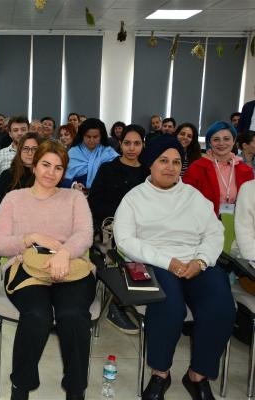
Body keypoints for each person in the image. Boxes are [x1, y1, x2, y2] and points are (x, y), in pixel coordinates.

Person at [113, 135, 235, 400]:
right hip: (157, 263)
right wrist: (168, 262)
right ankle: (160, 373)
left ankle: (198, 375)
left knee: (220, 306)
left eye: (176, 162)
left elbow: (215, 232)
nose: (170, 167)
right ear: (151, 164)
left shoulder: (193, 196)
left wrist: (201, 261)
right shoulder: (134, 198)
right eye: (163, 161)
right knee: (170, 307)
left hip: (196, 262)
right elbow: (125, 241)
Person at [0, 140, 95, 400]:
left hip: (70, 266)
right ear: (34, 165)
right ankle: (21, 387)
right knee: (37, 316)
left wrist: (64, 252)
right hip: (26, 268)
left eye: (58, 168)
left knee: (72, 315)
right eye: (46, 165)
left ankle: (76, 390)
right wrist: (32, 237)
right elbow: (0, 244)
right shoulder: (14, 199)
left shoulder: (74, 198)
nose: (51, 172)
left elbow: (84, 235)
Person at [87, 124, 148, 334]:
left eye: (136, 143)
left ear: (143, 145)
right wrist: (124, 215)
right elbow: (94, 202)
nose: (131, 148)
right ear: (120, 144)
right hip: (109, 229)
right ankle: (116, 305)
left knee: (150, 251)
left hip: (142, 229)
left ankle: (135, 300)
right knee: (120, 254)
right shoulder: (108, 168)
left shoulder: (148, 172)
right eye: (127, 143)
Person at [183, 121, 254, 216]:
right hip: (203, 221)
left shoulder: (245, 170)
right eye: (216, 139)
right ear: (209, 142)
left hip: (238, 222)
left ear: (233, 141)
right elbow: (186, 200)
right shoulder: (196, 168)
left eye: (226, 139)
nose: (221, 143)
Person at [0, 132, 40, 216]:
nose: (30, 153)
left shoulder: (45, 175)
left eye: (35, 149)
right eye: (26, 148)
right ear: (19, 151)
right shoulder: (7, 175)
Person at [63, 118, 118, 193]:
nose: (91, 140)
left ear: (101, 136)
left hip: (104, 194)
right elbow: (61, 177)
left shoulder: (109, 153)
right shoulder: (73, 152)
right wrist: (73, 185)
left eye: (95, 137)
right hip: (76, 195)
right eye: (88, 137)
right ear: (82, 136)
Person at [0, 116, 29, 195]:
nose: (20, 133)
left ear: (28, 132)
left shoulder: (38, 153)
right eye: (15, 130)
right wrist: (5, 191)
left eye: (23, 129)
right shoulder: (0, 155)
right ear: (10, 134)